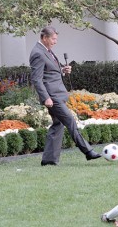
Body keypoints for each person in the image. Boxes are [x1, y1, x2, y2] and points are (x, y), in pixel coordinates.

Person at [29, 26, 101, 166]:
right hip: (52, 97)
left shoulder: (46, 51)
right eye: (53, 39)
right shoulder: (38, 53)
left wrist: (63, 70)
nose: (55, 42)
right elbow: (37, 79)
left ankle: (49, 160)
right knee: (70, 121)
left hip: (57, 94)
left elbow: (50, 72)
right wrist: (46, 97)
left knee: (58, 124)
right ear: (45, 38)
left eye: (56, 39)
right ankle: (88, 151)